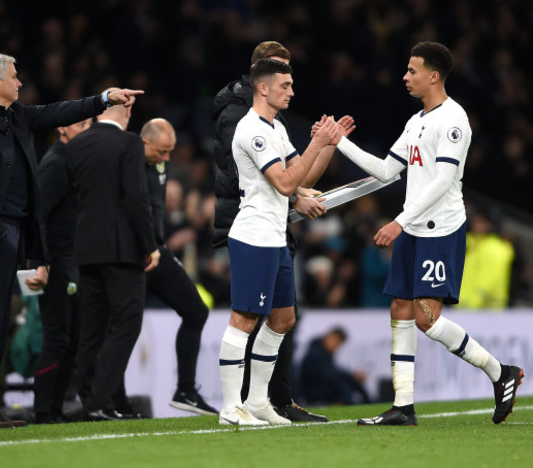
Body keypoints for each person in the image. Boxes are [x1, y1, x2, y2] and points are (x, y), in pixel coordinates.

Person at [330, 42, 524, 425]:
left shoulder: (453, 120)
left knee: (425, 318)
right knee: (400, 309)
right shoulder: (416, 121)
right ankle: (403, 406)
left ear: (433, 76)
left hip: (439, 230)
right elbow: (387, 170)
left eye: (412, 70)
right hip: (414, 227)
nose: (405, 76)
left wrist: (399, 221)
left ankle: (500, 372)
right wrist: (340, 143)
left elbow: (443, 180)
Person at [0, 51, 143, 430]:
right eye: (14, 75)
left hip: (12, 234)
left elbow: (59, 112)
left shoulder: (13, 117)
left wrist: (103, 98)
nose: (20, 81)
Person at [217, 58, 350, 425]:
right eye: (285, 85)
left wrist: (329, 144)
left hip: (275, 237)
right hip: (253, 236)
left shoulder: (274, 128)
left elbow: (303, 174)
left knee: (283, 318)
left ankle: (259, 402)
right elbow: (288, 184)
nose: (292, 91)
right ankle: (231, 407)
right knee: (244, 318)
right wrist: (316, 143)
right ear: (263, 87)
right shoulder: (253, 131)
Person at [66, 88, 160, 422]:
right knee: (126, 323)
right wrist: (149, 244)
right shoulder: (130, 143)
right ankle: (98, 399)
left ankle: (94, 398)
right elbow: (136, 196)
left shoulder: (75, 145)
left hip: (87, 249)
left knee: (92, 328)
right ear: (128, 109)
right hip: (122, 249)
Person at [140, 118, 217, 415]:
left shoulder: (158, 165)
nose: (167, 158)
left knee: (196, 310)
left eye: (170, 151)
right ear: (145, 142)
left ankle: (185, 390)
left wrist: (157, 244)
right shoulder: (126, 163)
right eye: (162, 151)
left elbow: (155, 209)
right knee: (121, 325)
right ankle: (106, 399)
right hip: (132, 255)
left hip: (157, 252)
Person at [32, 117, 92, 424]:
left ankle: (55, 408)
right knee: (57, 337)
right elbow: (38, 213)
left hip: (73, 262)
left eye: (88, 124)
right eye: (80, 125)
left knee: (71, 339)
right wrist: (41, 260)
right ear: (62, 129)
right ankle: (43, 409)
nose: (86, 129)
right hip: (55, 262)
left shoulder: (74, 162)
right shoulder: (55, 163)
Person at [299, 327, 370, 406]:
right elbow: (328, 374)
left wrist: (351, 376)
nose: (337, 346)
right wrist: (351, 375)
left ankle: (369, 404)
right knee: (343, 384)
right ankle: (355, 405)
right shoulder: (315, 353)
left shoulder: (325, 353)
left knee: (352, 381)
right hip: (313, 392)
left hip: (323, 388)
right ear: (329, 336)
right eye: (337, 341)